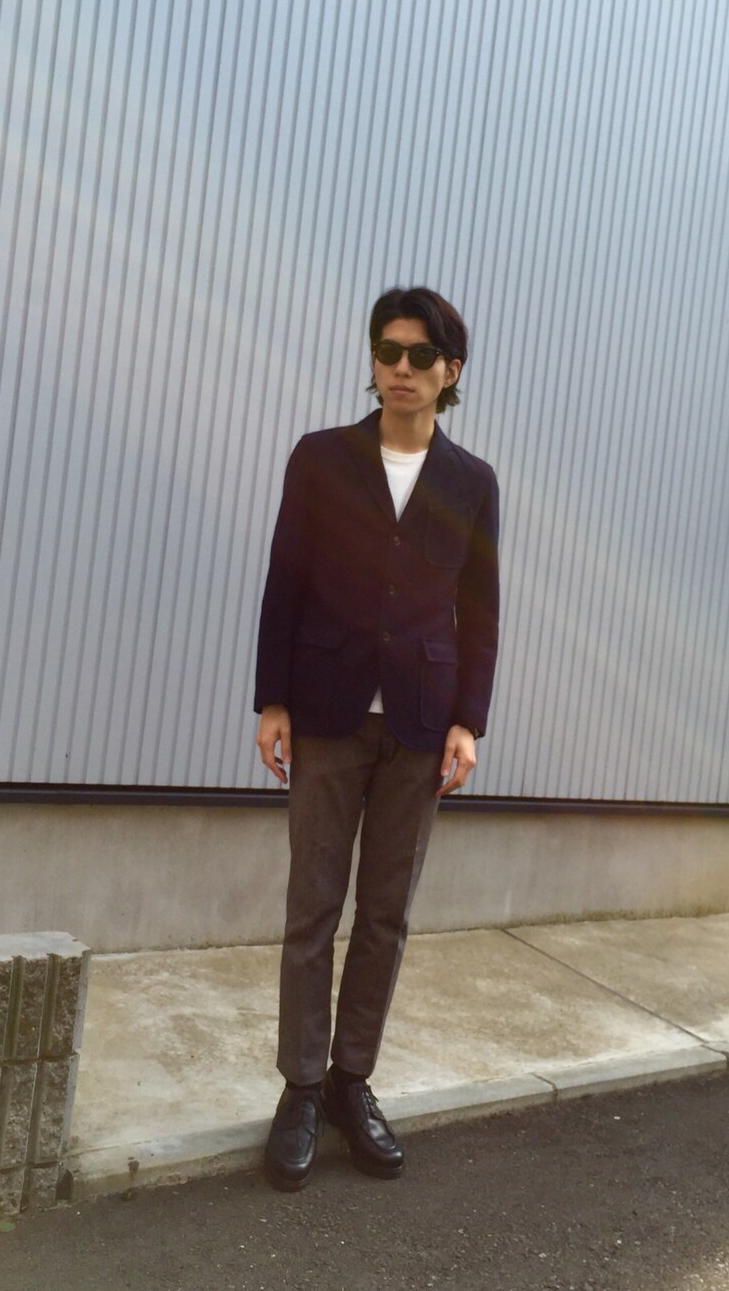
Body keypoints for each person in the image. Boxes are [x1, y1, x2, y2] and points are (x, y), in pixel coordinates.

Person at [254, 286, 499, 1189]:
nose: (400, 368)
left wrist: (468, 720)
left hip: (421, 723)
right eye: (387, 351)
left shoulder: (472, 482)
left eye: (420, 356)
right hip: (326, 711)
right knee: (312, 908)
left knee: (386, 915)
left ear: (450, 371)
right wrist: (272, 701)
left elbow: (480, 612)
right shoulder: (321, 459)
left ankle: (350, 1083)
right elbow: (285, 579)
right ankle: (300, 1087)